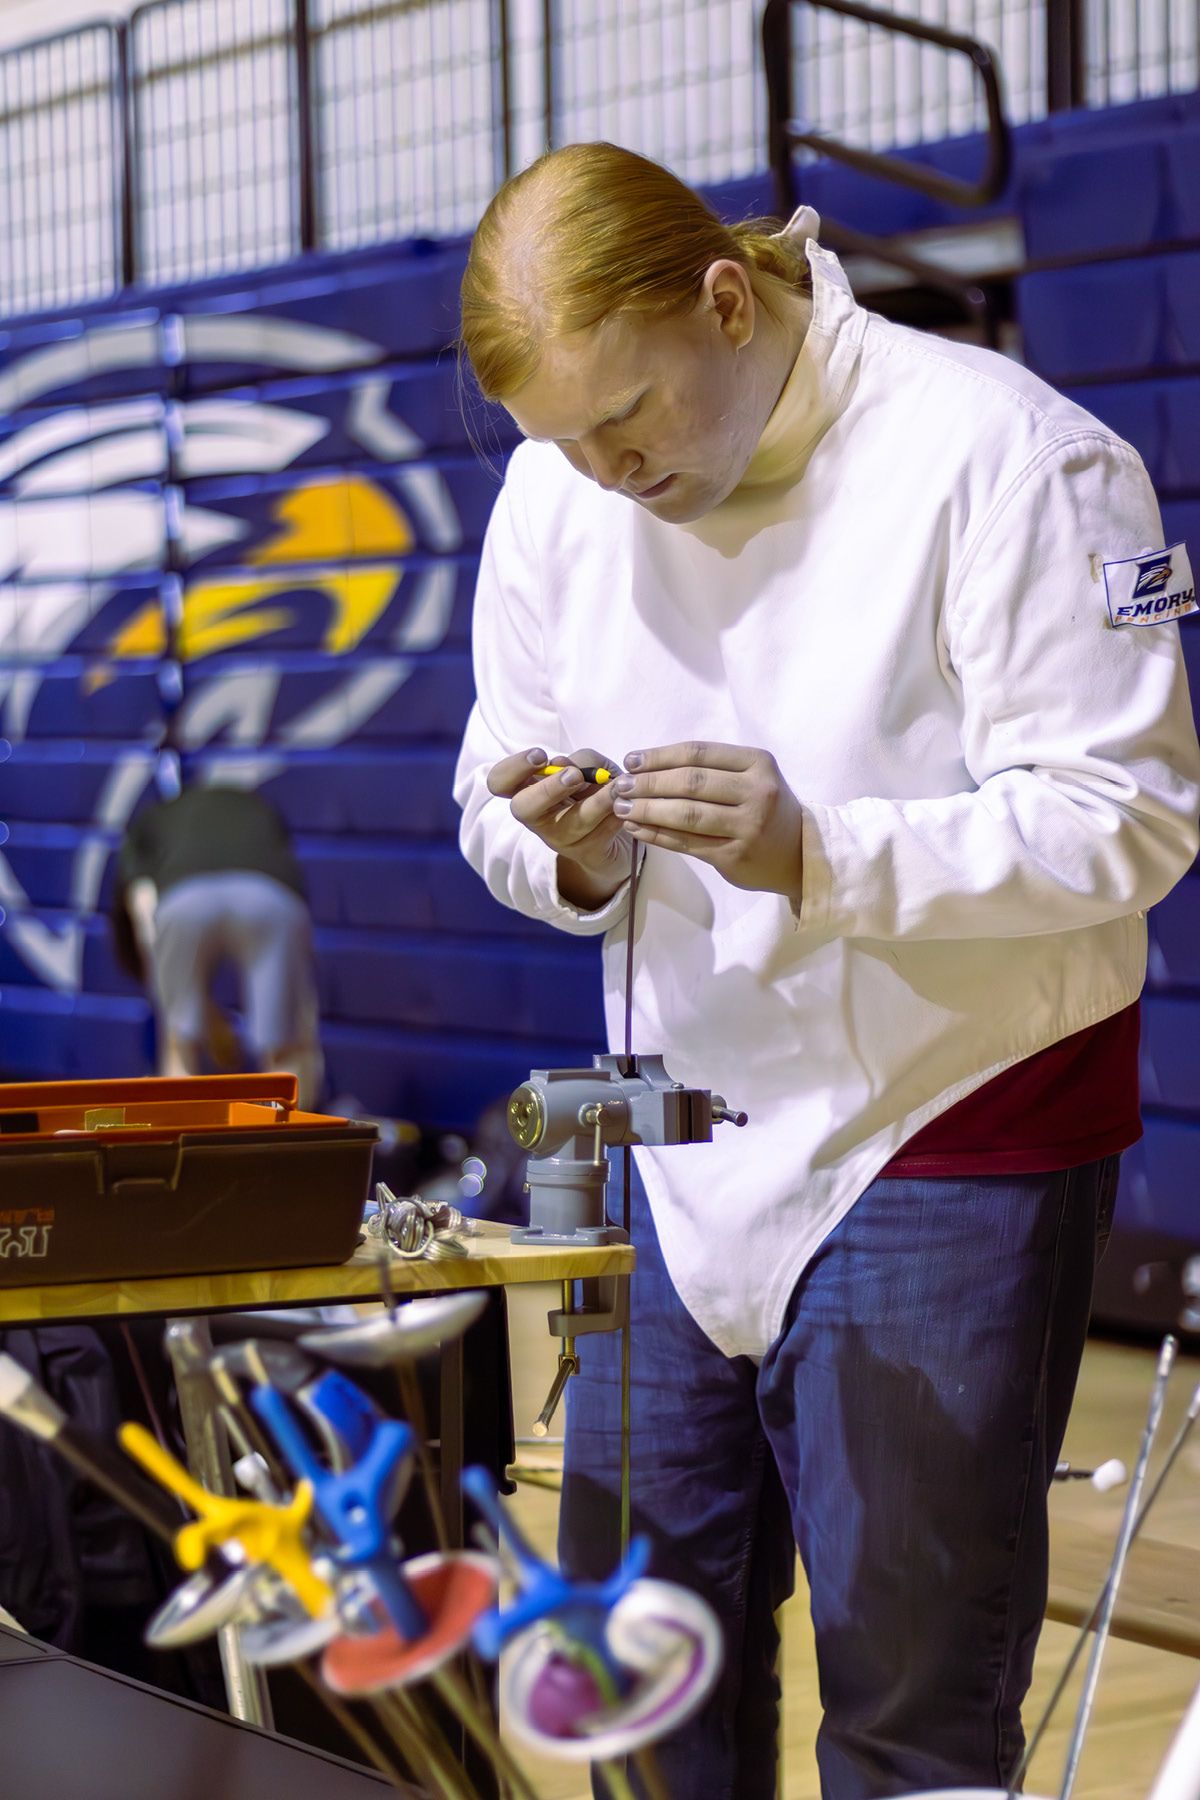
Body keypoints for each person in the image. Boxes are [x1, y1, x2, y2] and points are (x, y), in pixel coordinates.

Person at [452, 142, 1200, 1799]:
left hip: (942, 1126)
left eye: (627, 421)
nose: (603, 473)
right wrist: (564, 853)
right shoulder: (560, 488)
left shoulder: (1010, 458)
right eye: (564, 443)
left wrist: (820, 850)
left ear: (730, 300)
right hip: (669, 1133)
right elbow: (490, 794)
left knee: (909, 1712)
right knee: (642, 1673)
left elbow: (1128, 818)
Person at [112, 783, 323, 1109]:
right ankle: (286, 1147)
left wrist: (187, 1017)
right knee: (283, 1050)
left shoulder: (149, 821)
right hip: (270, 898)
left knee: (180, 1046)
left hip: (183, 900)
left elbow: (145, 918)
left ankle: (181, 1141)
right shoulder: (258, 807)